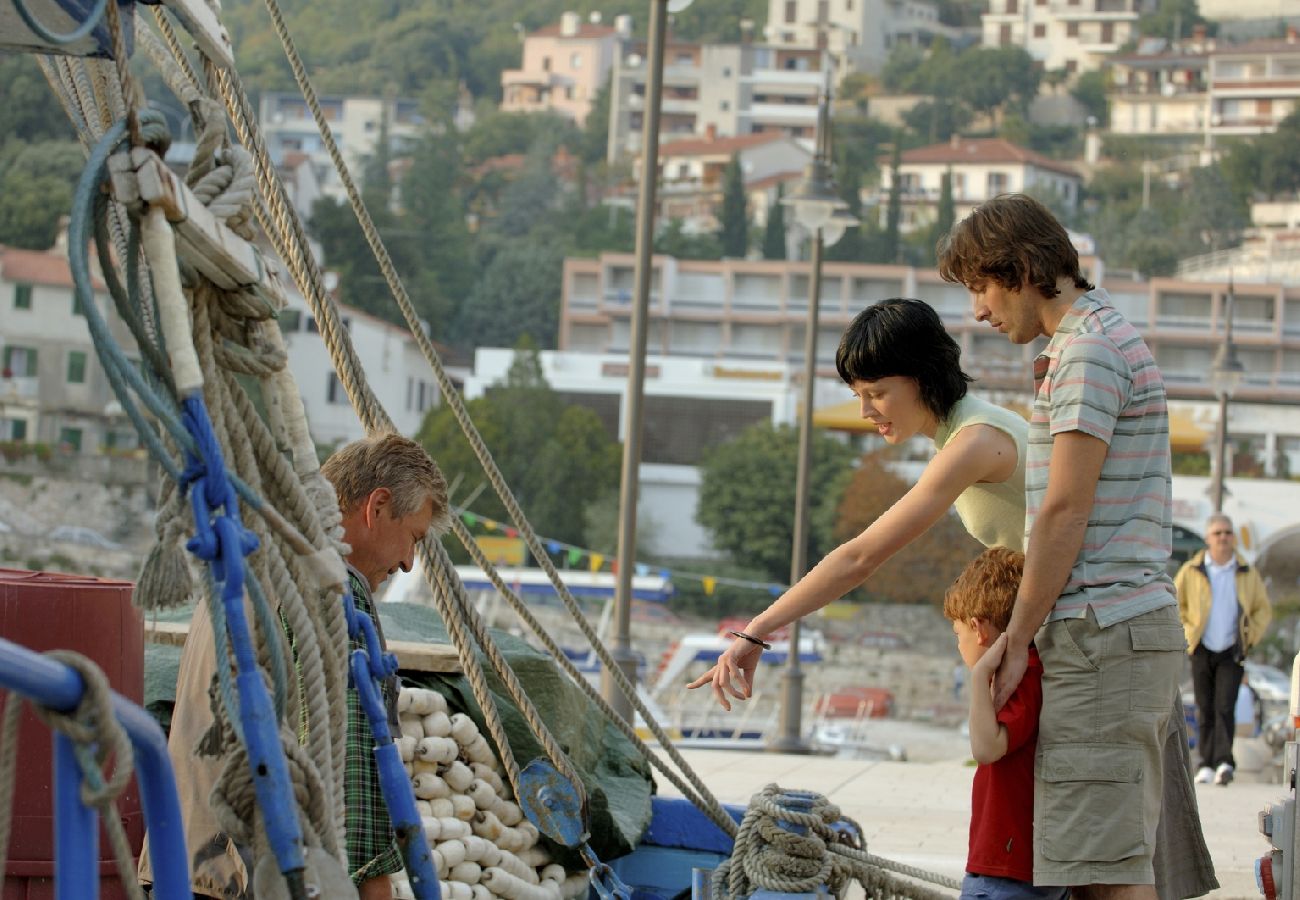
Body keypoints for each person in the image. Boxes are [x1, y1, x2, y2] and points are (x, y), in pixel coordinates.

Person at [937, 193, 1217, 899]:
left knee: (1104, 875)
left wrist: (1017, 640)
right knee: (1101, 863)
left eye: (982, 286)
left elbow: (1063, 510)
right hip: (1116, 633)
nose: (978, 310)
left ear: (1024, 269)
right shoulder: (1097, 340)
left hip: (1102, 633)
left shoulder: (1088, 353)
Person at [143, 432, 449, 900]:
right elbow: (349, 787)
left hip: (181, 863)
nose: (409, 563)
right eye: (414, 538)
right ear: (378, 507)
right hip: (252, 875)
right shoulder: (332, 588)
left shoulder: (247, 559)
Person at [688, 297, 1027, 709]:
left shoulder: (975, 441)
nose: (865, 410)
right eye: (858, 395)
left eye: (877, 393)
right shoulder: (976, 429)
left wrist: (756, 630)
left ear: (923, 376)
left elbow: (860, 558)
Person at [945, 547, 1065, 900]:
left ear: (977, 629)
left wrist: (979, 677)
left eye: (957, 635)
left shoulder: (1022, 677)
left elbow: (986, 748)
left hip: (1007, 870)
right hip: (1024, 867)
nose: (958, 645)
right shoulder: (1034, 669)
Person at [1174, 513, 1272, 787]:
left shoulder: (1245, 572)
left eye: (1227, 532)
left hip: (1232, 649)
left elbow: (1262, 609)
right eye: (1217, 533)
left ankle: (1224, 762)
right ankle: (1205, 763)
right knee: (1205, 705)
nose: (1223, 537)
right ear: (1208, 538)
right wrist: (1188, 631)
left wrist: (1249, 636)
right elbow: (1174, 602)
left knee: (1225, 705)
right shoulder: (1192, 571)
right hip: (1202, 647)